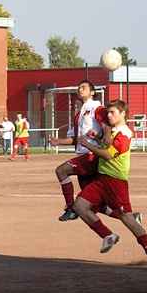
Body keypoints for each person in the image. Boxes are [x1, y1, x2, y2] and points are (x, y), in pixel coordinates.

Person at [72, 99, 147, 272]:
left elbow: (108, 155)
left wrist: (87, 144)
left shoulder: (124, 134)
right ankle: (108, 235)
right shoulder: (113, 130)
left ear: (123, 114)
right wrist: (97, 136)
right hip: (101, 179)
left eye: (113, 112)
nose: (109, 115)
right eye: (108, 112)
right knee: (80, 206)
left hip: (115, 182)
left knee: (127, 218)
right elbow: (106, 144)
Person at [50, 80, 107, 221]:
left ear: (92, 92)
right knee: (90, 202)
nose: (80, 89)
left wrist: (101, 137)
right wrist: (58, 141)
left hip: (91, 155)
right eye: (79, 88)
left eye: (84, 87)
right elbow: (75, 139)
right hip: (82, 154)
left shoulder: (97, 108)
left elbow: (107, 128)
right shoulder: (78, 114)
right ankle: (129, 216)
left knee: (61, 170)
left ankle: (70, 207)